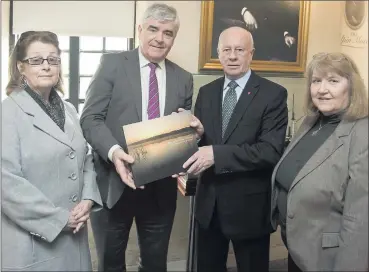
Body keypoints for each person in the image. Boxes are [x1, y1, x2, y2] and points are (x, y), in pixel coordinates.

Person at [80, 3, 193, 272]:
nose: (159, 38)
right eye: (153, 29)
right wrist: (115, 151)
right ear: (140, 29)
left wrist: (190, 134)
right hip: (113, 184)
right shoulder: (112, 64)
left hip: (160, 190)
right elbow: (90, 118)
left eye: (167, 33)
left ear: (173, 38)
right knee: (110, 264)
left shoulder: (184, 78)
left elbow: (184, 128)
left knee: (155, 265)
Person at [181, 26, 288, 272]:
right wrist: (195, 137)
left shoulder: (273, 94)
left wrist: (216, 155)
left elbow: (270, 151)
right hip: (209, 207)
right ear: (218, 53)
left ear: (251, 54)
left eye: (239, 50)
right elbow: (203, 144)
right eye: (226, 50)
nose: (232, 56)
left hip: (249, 209)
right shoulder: (206, 93)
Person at [2, 31, 102, 271]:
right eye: (36, 60)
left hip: (75, 238)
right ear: (20, 67)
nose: (46, 66)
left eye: (53, 59)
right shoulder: (7, 114)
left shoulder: (68, 110)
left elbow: (85, 158)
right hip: (34, 243)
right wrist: (60, 219)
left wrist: (88, 199)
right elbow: (7, 183)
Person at [270, 52, 368, 272]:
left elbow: (360, 223)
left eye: (333, 81)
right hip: (300, 247)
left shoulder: (363, 134)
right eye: (316, 81)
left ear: (352, 86)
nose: (322, 89)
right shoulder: (312, 121)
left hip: (328, 258)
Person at [212, 1, 299, 62]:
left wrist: (286, 34)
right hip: (241, 39)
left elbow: (281, 14)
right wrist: (245, 11)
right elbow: (221, 6)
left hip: (268, 45)